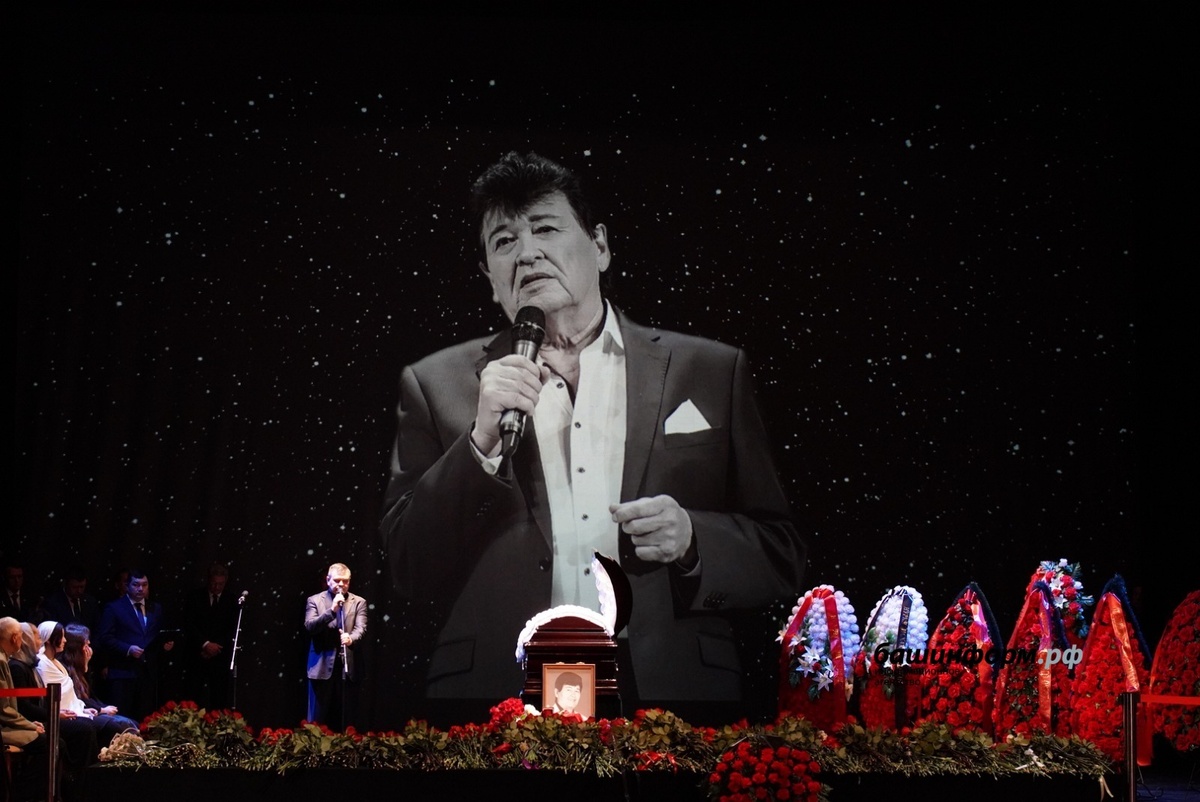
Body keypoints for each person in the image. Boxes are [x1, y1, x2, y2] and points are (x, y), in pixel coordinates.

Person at [379, 152, 807, 709]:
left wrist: (692, 540)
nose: (527, 252)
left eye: (546, 229)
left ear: (600, 246)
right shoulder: (437, 384)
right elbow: (406, 566)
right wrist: (480, 444)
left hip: (667, 690)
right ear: (490, 279)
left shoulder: (709, 370)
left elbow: (781, 553)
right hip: (501, 693)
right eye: (504, 241)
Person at [10, 623, 97, 802]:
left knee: (85, 728)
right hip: (31, 721)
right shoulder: (18, 667)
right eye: (36, 637)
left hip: (40, 717)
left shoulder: (28, 665)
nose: (40, 641)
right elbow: (23, 706)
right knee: (81, 730)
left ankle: (79, 784)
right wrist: (54, 714)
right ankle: (67, 786)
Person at [95, 570, 175, 721]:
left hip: (147, 673)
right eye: (136, 585)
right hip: (123, 672)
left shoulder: (156, 608)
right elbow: (104, 637)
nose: (140, 589)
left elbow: (156, 635)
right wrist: (127, 649)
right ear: (127, 586)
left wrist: (164, 646)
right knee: (122, 718)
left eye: (144, 585)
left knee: (145, 717)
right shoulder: (114, 607)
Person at [304, 563, 367, 728]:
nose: (341, 584)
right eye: (337, 580)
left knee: (347, 721)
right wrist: (331, 611)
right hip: (321, 667)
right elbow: (310, 626)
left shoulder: (358, 602)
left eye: (345, 581)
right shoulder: (314, 600)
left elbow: (361, 628)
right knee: (315, 722)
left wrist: (351, 638)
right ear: (328, 580)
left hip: (348, 668)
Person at [0, 616, 48, 802]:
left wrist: (28, 723)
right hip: (3, 727)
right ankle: (22, 795)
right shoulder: (2, 662)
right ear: (14, 638)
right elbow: (4, 709)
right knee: (45, 742)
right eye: (21, 635)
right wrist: (30, 725)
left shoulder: (5, 658)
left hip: (9, 722)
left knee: (49, 739)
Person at [183, 562, 239, 710]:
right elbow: (189, 624)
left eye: (220, 584)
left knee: (219, 699)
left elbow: (232, 628)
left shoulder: (231, 599)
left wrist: (216, 647)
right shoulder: (195, 597)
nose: (217, 587)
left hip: (220, 657)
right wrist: (205, 644)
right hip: (197, 655)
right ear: (208, 580)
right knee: (192, 699)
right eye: (214, 583)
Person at [42, 566, 101, 631]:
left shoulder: (90, 602)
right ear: (65, 584)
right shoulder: (53, 603)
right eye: (74, 587)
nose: (79, 591)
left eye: (82, 587)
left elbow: (97, 628)